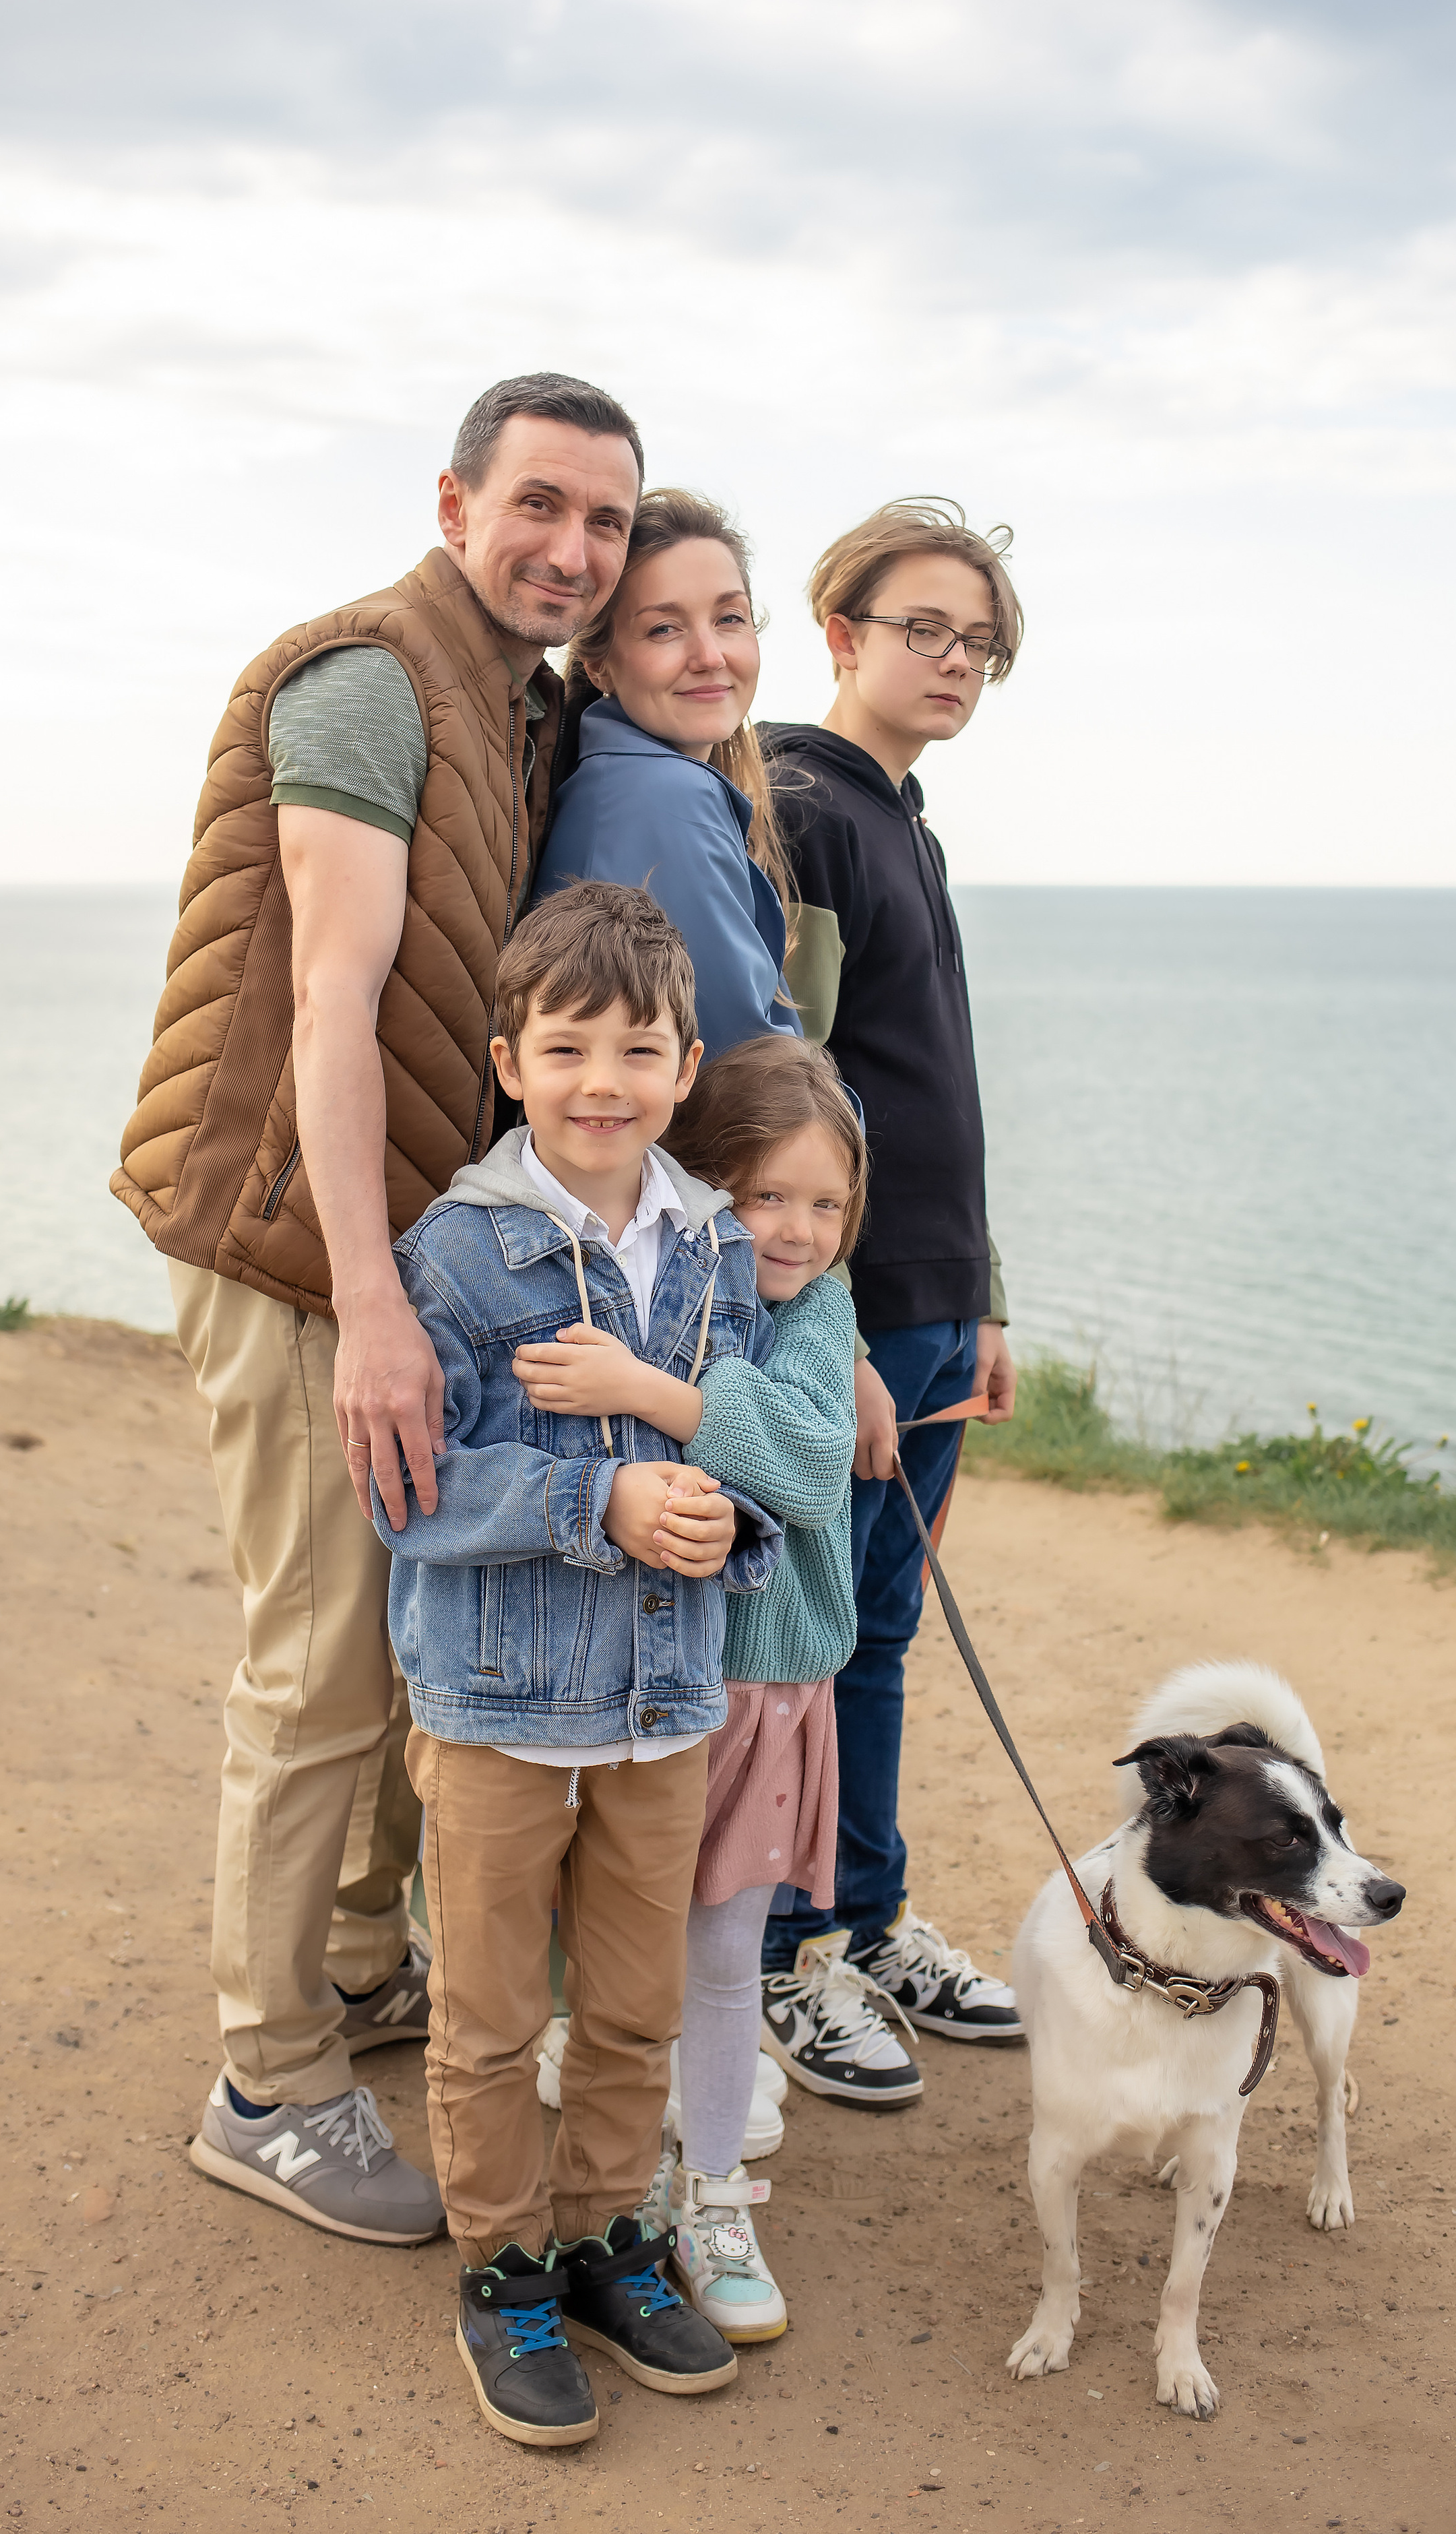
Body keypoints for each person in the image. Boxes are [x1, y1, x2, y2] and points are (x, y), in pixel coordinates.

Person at [110, 373, 645, 2242]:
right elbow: (333, 1001)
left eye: (606, 521)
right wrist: (373, 1301)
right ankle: (268, 2080)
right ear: (454, 500)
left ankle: (348, 1970)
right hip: (288, 1241)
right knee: (320, 1662)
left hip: (377, 1250)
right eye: (543, 506)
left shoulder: (511, 701)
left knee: (401, 1642)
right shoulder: (365, 679)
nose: (573, 550)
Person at [374, 882, 784, 2448]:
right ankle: (504, 2267)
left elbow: (731, 1451)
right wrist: (594, 1500)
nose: (601, 1077)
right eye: (566, 1046)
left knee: (627, 2008)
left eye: (637, 1047)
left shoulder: (714, 1249)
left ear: (685, 1067)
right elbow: (401, 1489)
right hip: (492, 1714)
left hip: (663, 1708)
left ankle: (610, 2231)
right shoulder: (457, 1253)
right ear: (507, 1059)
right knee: (486, 2013)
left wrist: (710, 1520)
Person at [517, 1034, 864, 2343]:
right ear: (704, 1179)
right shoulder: (671, 1276)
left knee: (722, 1958)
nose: (795, 1229)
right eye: (766, 1195)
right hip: (639, 1679)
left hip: (762, 1689)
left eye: (826, 1204)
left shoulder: (820, 1314)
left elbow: (808, 1467)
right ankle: (600, 2180)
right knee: (606, 1944)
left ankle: (713, 2193)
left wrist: (653, 1395)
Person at [756, 500, 1027, 2098]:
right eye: (922, 627)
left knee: (876, 1633)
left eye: (977, 643)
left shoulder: (902, 816)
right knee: (805, 1637)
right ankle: (792, 1952)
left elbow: (935, 1090)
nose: (953, 661)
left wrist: (975, 1290)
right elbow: (789, 1100)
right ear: (840, 629)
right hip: (853, 1317)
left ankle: (862, 1918)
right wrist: (836, 1328)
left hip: (929, 1303)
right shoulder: (804, 807)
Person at [528, 487, 800, 1063]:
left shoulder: (617, 782)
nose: (710, 655)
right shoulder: (665, 795)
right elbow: (742, 1069)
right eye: (663, 629)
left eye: (730, 618)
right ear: (598, 663)